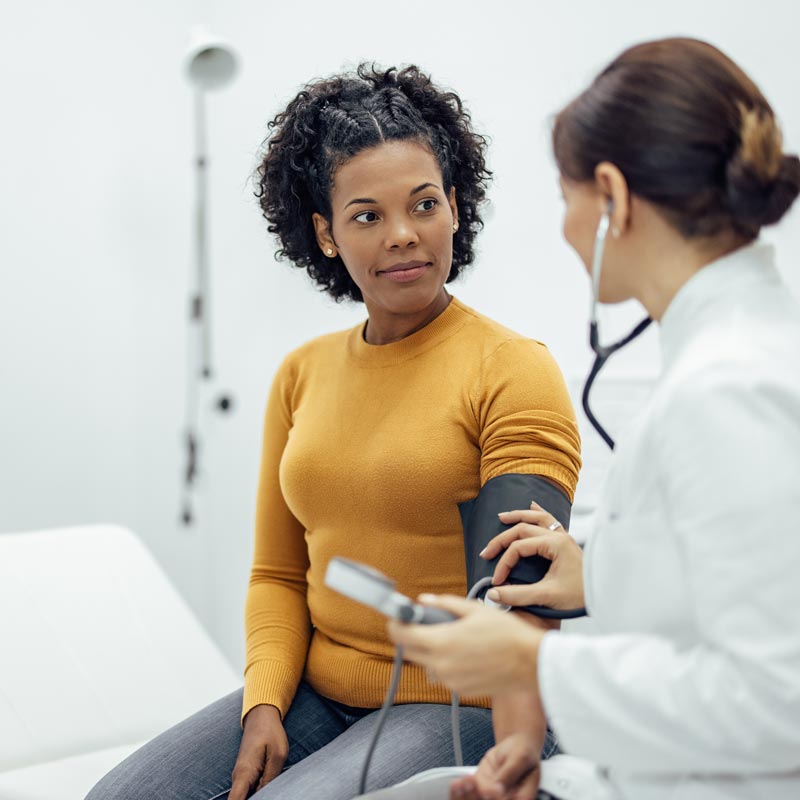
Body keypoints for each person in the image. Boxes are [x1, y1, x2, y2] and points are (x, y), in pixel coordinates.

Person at [86, 65, 581, 800]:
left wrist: (517, 744)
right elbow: (278, 575)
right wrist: (262, 704)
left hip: (462, 702)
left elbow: (518, 601)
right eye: (367, 215)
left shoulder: (511, 369)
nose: (404, 236)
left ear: (455, 206)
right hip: (320, 693)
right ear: (324, 233)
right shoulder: (303, 374)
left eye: (423, 204)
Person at [390, 37, 800, 800]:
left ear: (610, 197)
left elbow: (781, 697)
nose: (567, 227)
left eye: (565, 196)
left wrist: (529, 665)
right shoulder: (738, 355)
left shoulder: (728, 390)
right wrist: (605, 571)